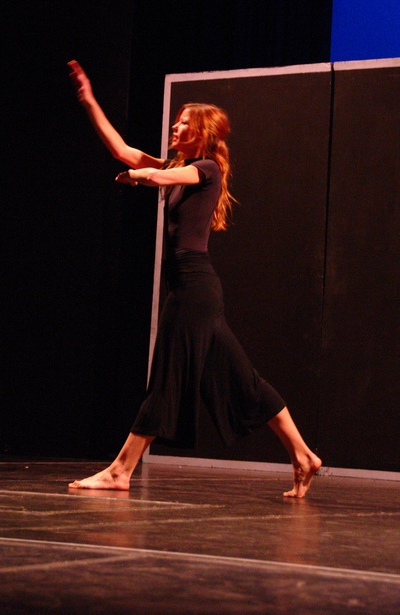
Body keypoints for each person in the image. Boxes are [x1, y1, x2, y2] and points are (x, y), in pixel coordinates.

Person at [67, 60, 322, 498]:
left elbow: (156, 174)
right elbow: (123, 150)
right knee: (244, 380)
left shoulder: (206, 169)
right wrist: (89, 100)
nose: (175, 126)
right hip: (194, 293)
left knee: (166, 377)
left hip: (193, 291)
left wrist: (141, 176)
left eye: (184, 123)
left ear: (202, 132)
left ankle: (119, 471)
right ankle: (304, 455)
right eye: (177, 121)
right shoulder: (182, 168)